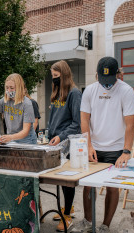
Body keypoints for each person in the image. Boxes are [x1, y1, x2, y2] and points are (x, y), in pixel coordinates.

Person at [74, 56, 134, 232]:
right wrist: (88, 146)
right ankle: (88, 221)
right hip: (94, 146)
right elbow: (84, 121)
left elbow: (130, 124)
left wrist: (126, 151)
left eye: (110, 80)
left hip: (116, 148)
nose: (106, 84)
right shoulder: (90, 91)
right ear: (97, 75)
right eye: (103, 80)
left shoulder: (126, 91)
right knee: (88, 185)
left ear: (118, 74)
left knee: (112, 187)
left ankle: (105, 225)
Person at [47, 60, 82, 232]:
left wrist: (60, 136)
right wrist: (49, 134)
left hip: (68, 142)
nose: (53, 79)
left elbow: (77, 123)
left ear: (64, 75)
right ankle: (68, 208)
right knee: (60, 179)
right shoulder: (56, 92)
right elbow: (53, 118)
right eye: (52, 76)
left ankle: (67, 215)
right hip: (55, 142)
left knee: (67, 181)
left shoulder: (74, 93)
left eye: (56, 76)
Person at [0, 73, 36, 144]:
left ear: (19, 88)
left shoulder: (27, 103)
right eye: (7, 88)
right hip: (12, 139)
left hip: (27, 140)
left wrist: (10, 137)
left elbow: (25, 131)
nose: (9, 90)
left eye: (11, 88)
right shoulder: (4, 101)